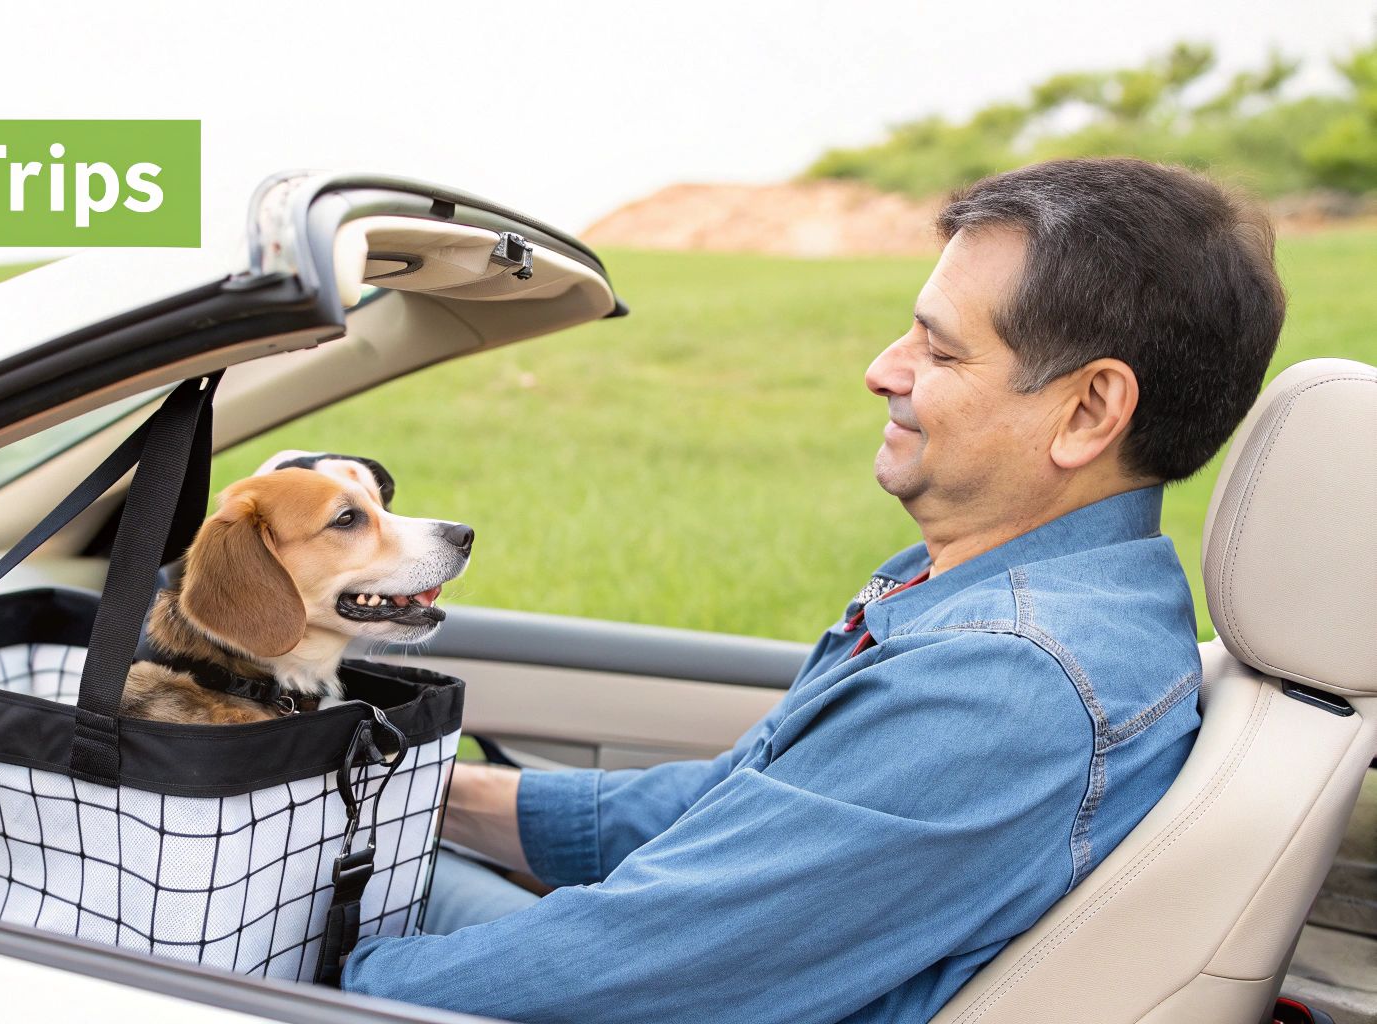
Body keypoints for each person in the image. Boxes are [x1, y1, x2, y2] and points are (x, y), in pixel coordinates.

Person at [339, 158, 1287, 1023]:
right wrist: (433, 797)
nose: (883, 371)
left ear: (1088, 410)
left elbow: (647, 962)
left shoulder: (1003, 684)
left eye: (941, 351)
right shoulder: (1015, 598)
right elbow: (734, 812)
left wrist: (297, 988)